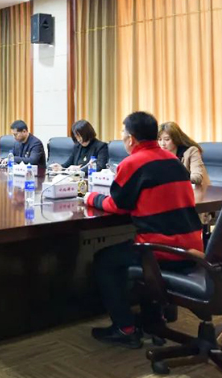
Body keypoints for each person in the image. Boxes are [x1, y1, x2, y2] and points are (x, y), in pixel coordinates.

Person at [83, 111, 203, 348]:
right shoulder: (173, 161)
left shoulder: (132, 163)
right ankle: (152, 318)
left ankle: (124, 328)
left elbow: (118, 205)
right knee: (132, 249)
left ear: (131, 139)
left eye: (123, 133)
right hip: (192, 248)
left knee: (105, 260)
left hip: (161, 250)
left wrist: (91, 198)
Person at [158, 122, 211, 187]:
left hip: (192, 190)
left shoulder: (191, 151)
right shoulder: (158, 155)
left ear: (176, 139)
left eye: (167, 139)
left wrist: (174, 177)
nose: (162, 143)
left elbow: (197, 177)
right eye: (159, 140)